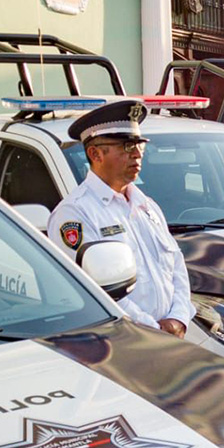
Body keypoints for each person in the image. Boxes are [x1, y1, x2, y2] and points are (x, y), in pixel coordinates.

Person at [48, 99, 193, 338]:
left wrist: (178, 318)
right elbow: (95, 291)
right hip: (122, 342)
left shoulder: (147, 206)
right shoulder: (75, 214)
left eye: (140, 145)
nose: (137, 154)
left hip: (168, 340)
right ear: (95, 154)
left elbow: (177, 265)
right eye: (126, 146)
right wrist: (154, 329)